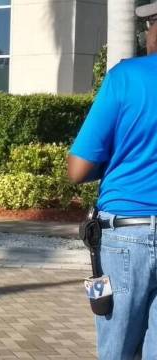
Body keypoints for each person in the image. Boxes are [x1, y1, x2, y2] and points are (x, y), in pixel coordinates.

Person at [67, 4, 157, 359]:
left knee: (115, 348)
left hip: (124, 235)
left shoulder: (126, 77)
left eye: (149, 24)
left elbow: (77, 170)